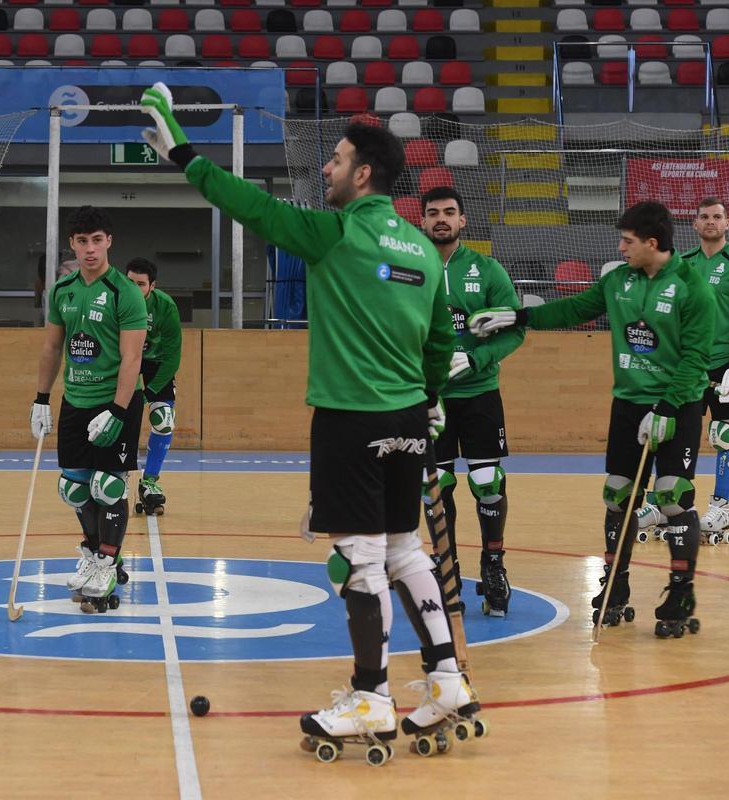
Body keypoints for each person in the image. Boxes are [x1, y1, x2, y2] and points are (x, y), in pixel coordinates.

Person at [139, 82, 477, 758]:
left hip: (351, 419)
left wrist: (183, 152)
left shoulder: (334, 233)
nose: (327, 168)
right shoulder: (419, 250)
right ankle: (446, 679)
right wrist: (429, 397)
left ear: (364, 174)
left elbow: (253, 208)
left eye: (337, 159)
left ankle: (370, 695)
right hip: (412, 414)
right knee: (406, 548)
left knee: (359, 558)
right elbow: (441, 342)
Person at [469, 201, 713, 638]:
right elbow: (573, 310)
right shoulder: (617, 280)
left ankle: (680, 591)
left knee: (673, 496)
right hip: (628, 405)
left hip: (678, 405)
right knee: (618, 495)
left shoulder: (692, 287)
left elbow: (697, 357)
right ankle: (615, 586)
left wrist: (668, 408)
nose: (620, 248)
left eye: (628, 241)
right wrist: (518, 316)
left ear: (652, 243)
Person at [30, 206, 147, 612]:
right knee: (75, 488)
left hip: (116, 403)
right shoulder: (62, 291)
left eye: (97, 240)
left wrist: (117, 410)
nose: (90, 249)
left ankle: (107, 561)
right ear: (72, 245)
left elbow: (132, 359)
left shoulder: (124, 292)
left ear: (109, 242)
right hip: (75, 403)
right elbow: (51, 347)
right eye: (82, 242)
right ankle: (94, 554)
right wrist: (42, 398)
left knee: (108, 486)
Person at [420, 187, 525, 617]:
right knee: (436, 487)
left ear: (463, 220)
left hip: (480, 394)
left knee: (487, 482)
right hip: (430, 398)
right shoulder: (409, 269)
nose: (441, 219)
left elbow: (516, 328)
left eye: (449, 212)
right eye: (432, 213)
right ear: (422, 221)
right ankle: (447, 569)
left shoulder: (487, 269)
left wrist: (476, 357)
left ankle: (494, 564)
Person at [637, 197, 729, 544]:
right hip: (688, 367)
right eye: (704, 217)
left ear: (728, 224)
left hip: (723, 366)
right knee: (670, 433)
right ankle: (661, 502)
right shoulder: (682, 264)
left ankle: (721, 507)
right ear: (694, 225)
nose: (711, 221)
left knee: (724, 435)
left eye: (717, 216)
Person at [125, 257, 182, 516]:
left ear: (152, 286)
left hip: (157, 363)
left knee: (163, 419)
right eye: (129, 282)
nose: (134, 289)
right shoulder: (115, 303)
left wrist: (149, 392)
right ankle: (119, 474)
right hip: (126, 361)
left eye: (140, 284)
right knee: (123, 416)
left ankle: (149, 481)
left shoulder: (166, 307)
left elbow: (172, 356)